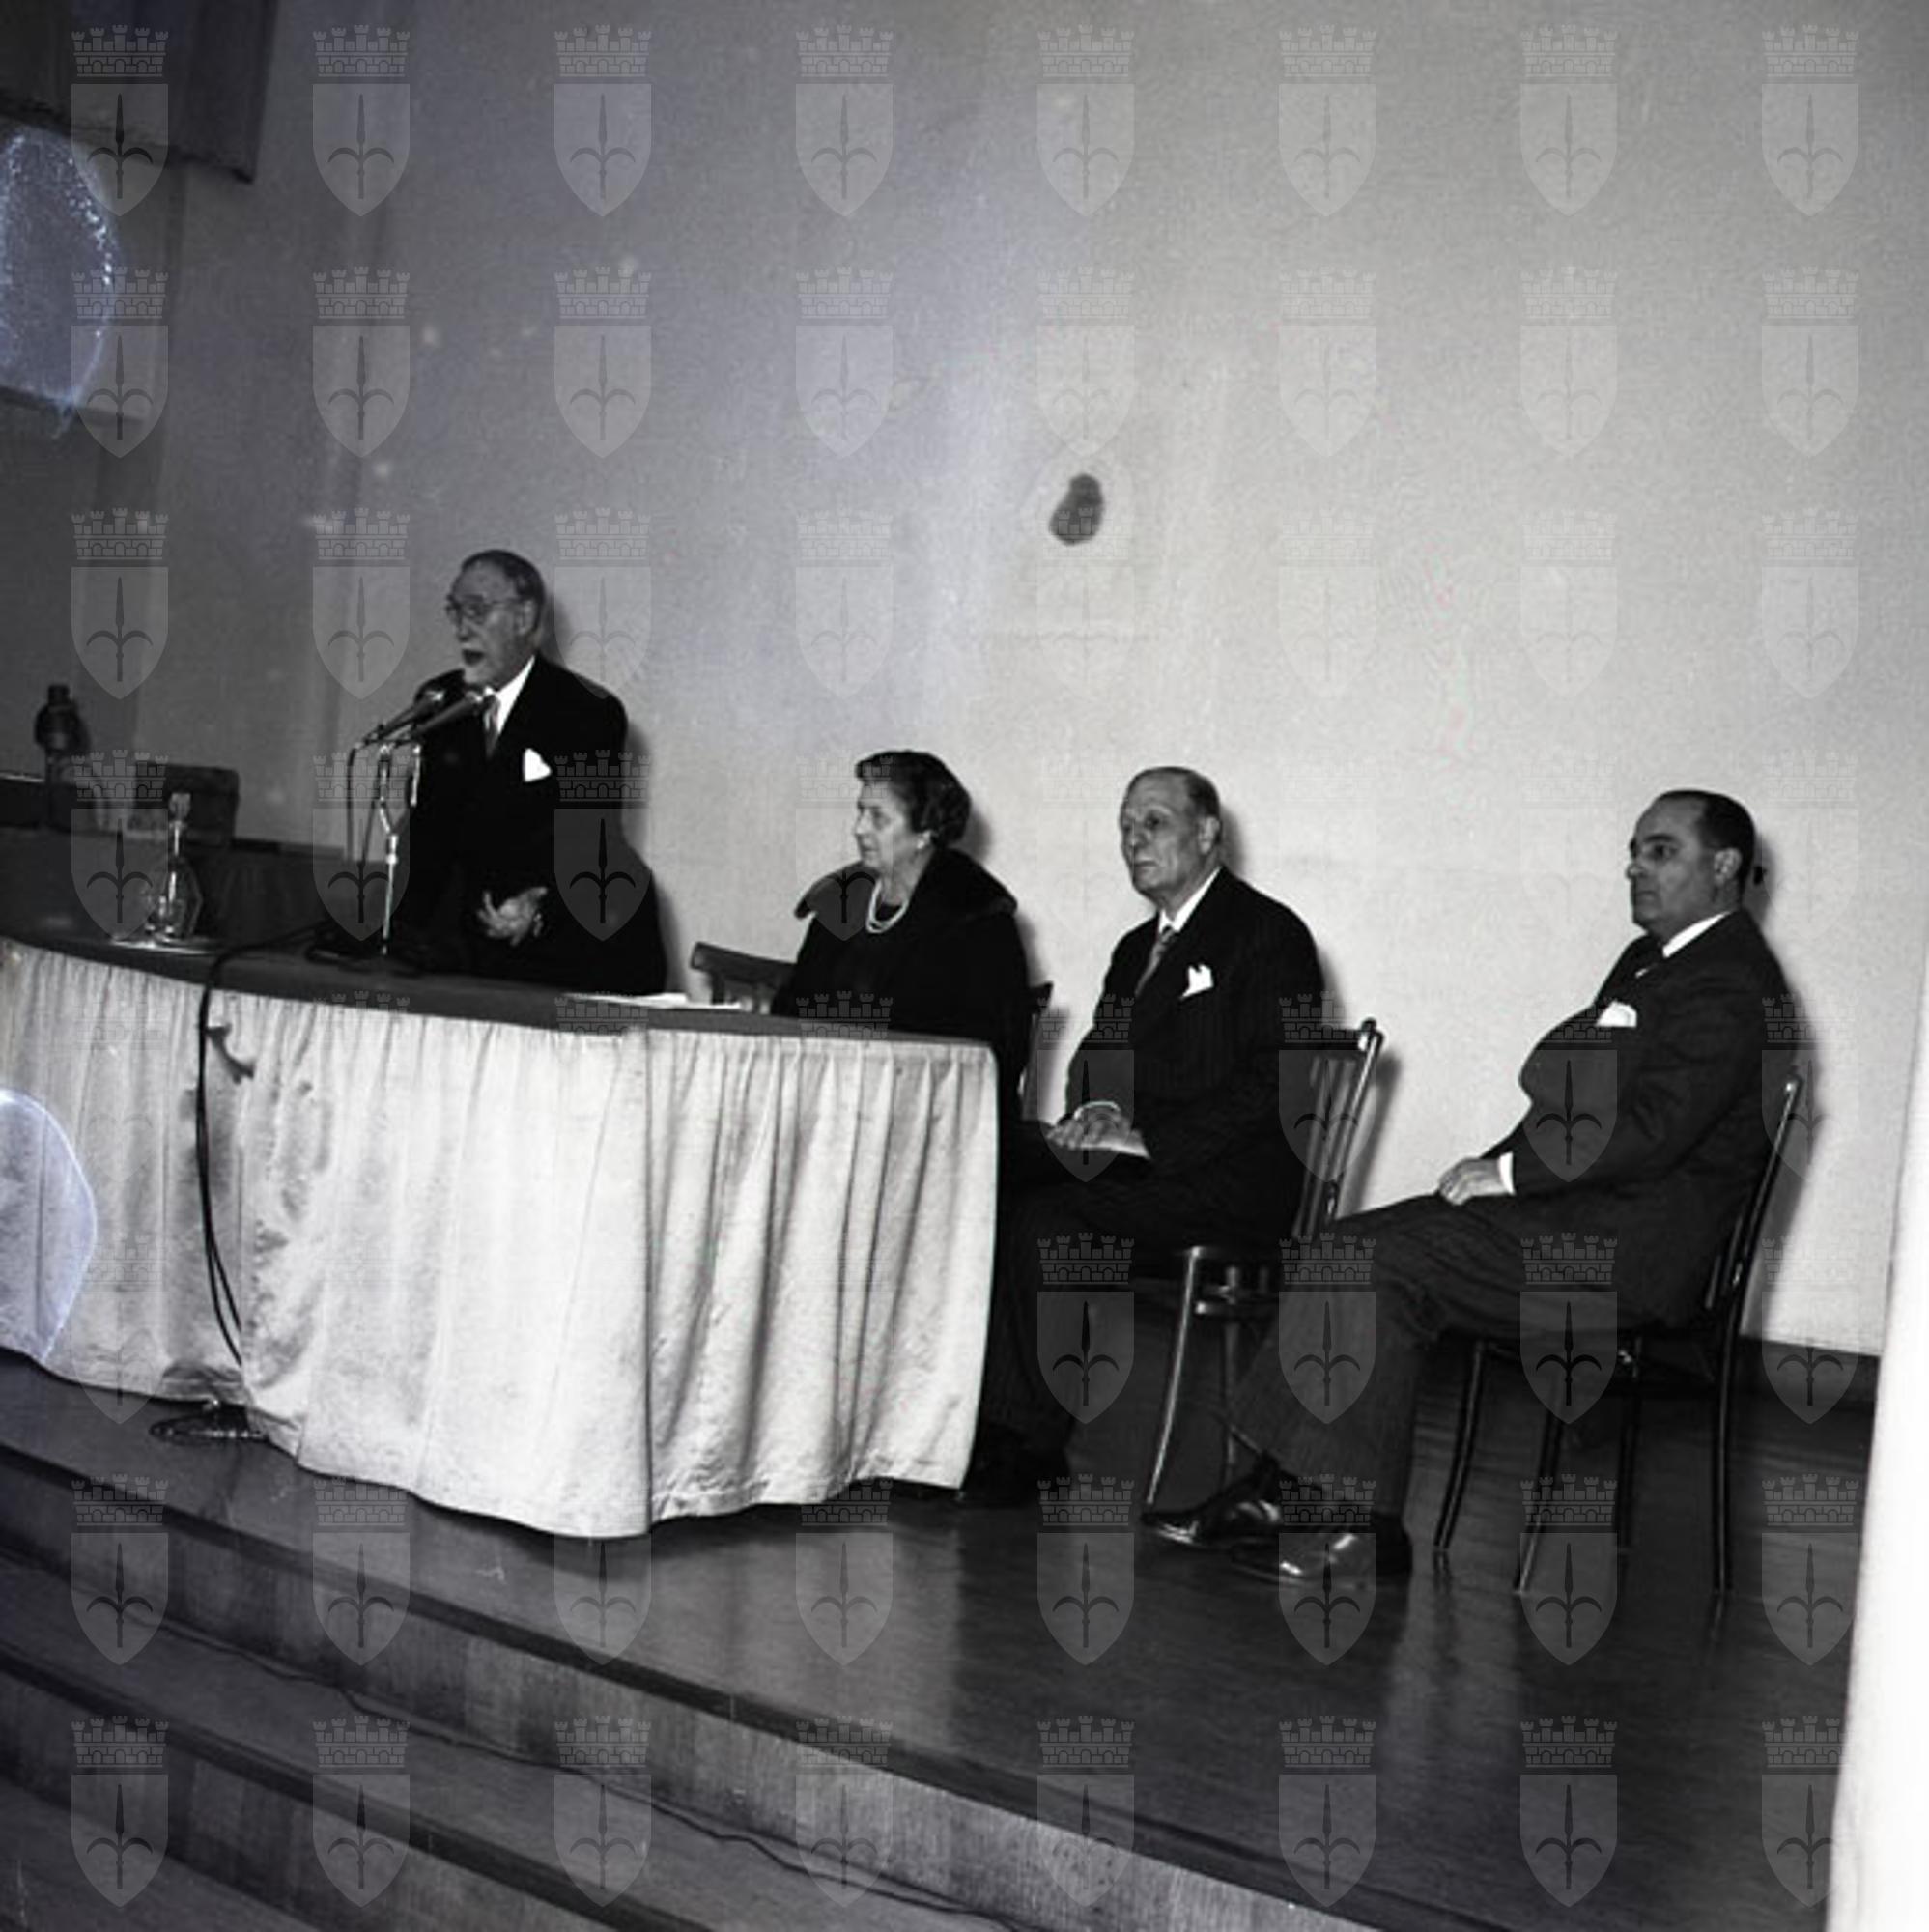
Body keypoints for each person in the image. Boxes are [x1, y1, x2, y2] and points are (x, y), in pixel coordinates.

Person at [1146, 790, 1788, 1587]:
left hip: (1622, 1253)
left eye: (1659, 851)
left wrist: (1511, 1175)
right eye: (1632, 850)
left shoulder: (1731, 983)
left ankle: (1352, 1524)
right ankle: (1287, 1490)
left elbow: (1651, 1129)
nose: (1633, 867)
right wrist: (1493, 1172)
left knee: (1375, 1262)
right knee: (1346, 1244)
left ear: (1722, 866)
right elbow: (1574, 1095)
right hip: (1575, 1216)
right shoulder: (1652, 961)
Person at [966, 766, 1325, 1501]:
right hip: (1141, 1167)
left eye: (1153, 823)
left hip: (1229, 1182)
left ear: (1207, 833)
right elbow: (1097, 1057)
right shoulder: (1137, 949)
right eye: (1125, 827)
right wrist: (1098, 1111)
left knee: (1045, 1217)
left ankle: (1029, 1444)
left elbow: (1275, 1083)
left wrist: (1152, 1140)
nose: (1134, 841)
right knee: (986, 1173)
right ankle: (971, 1424)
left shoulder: (1270, 935)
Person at [397, 550, 666, 992]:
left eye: (477, 610)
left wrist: (540, 908)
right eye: (455, 610)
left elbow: (595, 844)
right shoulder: (439, 700)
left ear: (523, 618)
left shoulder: (588, 711)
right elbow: (427, 831)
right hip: (458, 944)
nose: (461, 628)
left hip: (560, 940)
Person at [773, 751, 1034, 1114]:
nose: (859, 828)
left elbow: (991, 1052)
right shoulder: (842, 901)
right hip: (830, 1098)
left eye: (878, 817)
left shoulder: (976, 915)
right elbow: (791, 1009)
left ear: (925, 832)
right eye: (860, 812)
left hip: (930, 1111)